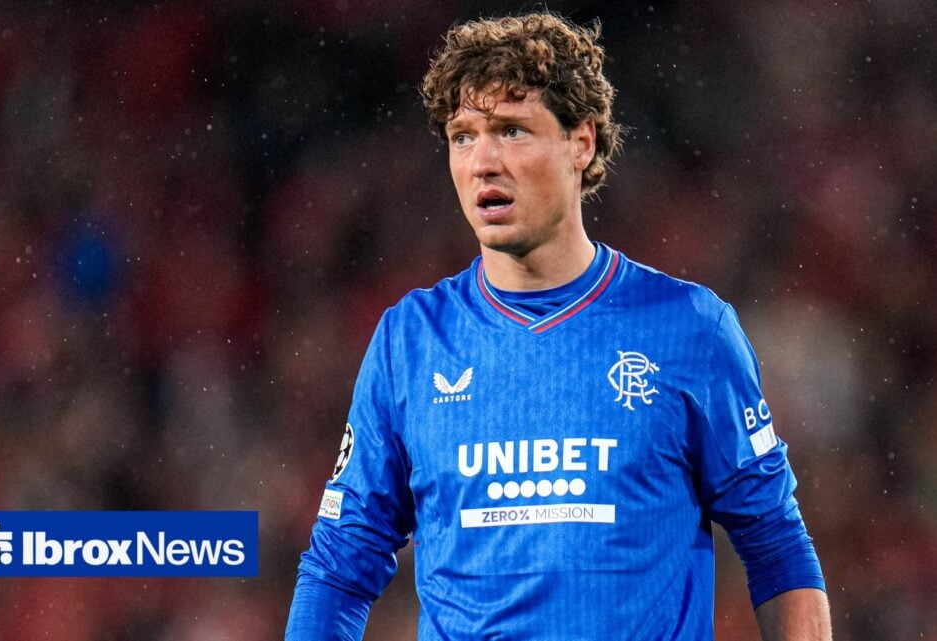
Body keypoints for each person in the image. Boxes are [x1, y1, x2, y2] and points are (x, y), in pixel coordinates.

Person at [285, 11, 830, 641]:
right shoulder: (410, 341)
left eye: (512, 130)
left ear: (582, 142)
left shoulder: (691, 329)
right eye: (463, 136)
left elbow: (775, 542)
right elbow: (339, 564)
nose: (483, 162)